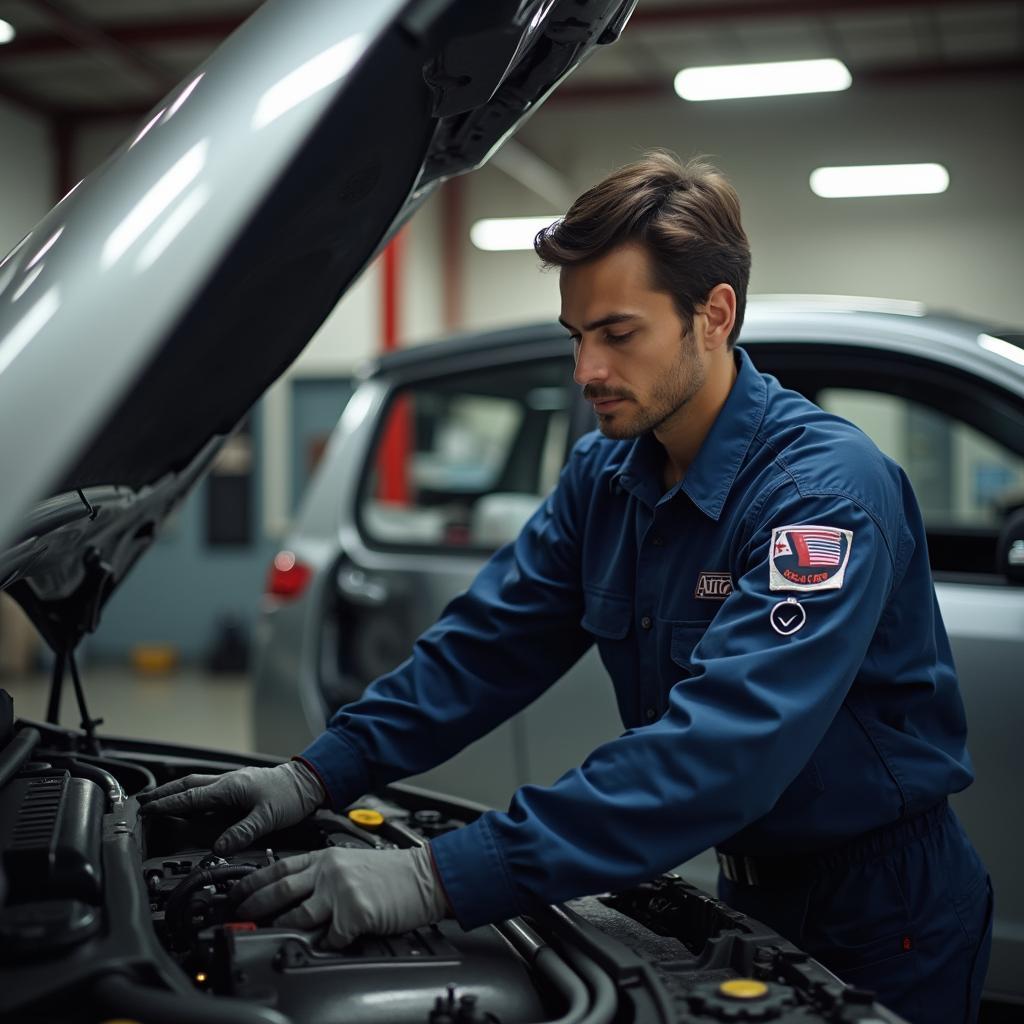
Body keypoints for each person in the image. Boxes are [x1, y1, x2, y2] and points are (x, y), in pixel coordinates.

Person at [140, 152, 992, 1022]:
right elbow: (487, 645)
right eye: (576, 336)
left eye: (618, 334)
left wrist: (438, 877)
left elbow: (718, 753)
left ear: (714, 315)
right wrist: (319, 773)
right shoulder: (608, 474)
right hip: (749, 892)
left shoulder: (819, 496)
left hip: (887, 915)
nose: (587, 370)